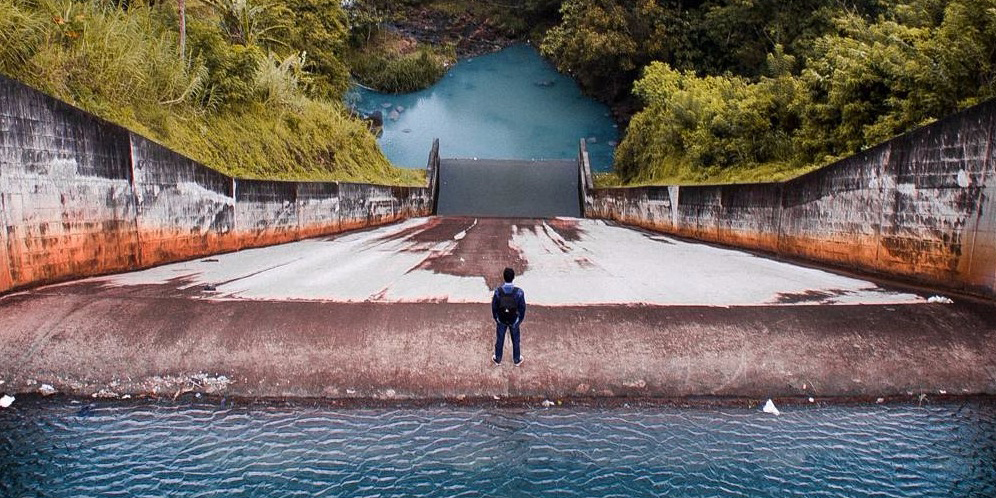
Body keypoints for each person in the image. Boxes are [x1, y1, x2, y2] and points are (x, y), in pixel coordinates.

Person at [492, 267, 526, 366]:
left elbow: (494, 307)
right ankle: (516, 359)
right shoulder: (519, 292)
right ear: (513, 277)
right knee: (515, 339)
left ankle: (498, 359)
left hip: (501, 320)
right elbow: (522, 308)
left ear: (503, 277)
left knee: (500, 339)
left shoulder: (498, 291)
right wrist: (518, 321)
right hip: (514, 320)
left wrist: (497, 318)